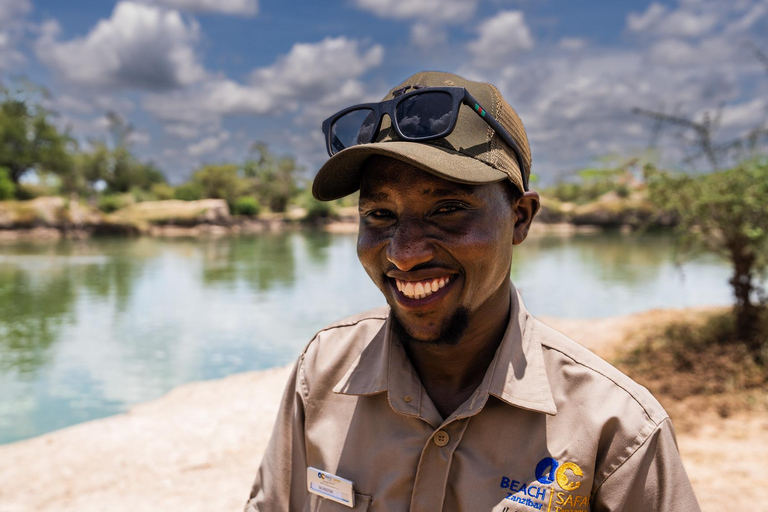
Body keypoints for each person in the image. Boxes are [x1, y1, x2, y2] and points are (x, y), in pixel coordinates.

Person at [244, 71, 700, 511]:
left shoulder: (615, 429)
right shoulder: (324, 371)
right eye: (380, 215)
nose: (404, 255)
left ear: (520, 217)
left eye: (448, 209)